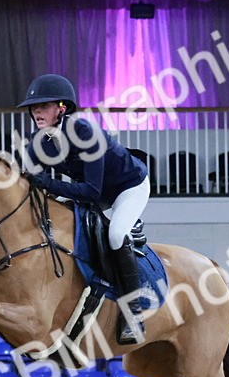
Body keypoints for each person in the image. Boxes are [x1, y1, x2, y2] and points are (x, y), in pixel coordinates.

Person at [17, 74, 152, 344]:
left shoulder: (85, 133)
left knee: (115, 235)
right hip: (93, 191)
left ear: (62, 108)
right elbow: (28, 181)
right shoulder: (38, 141)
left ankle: (133, 310)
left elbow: (92, 192)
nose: (36, 111)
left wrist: (47, 183)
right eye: (34, 107)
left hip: (128, 187)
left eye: (43, 106)